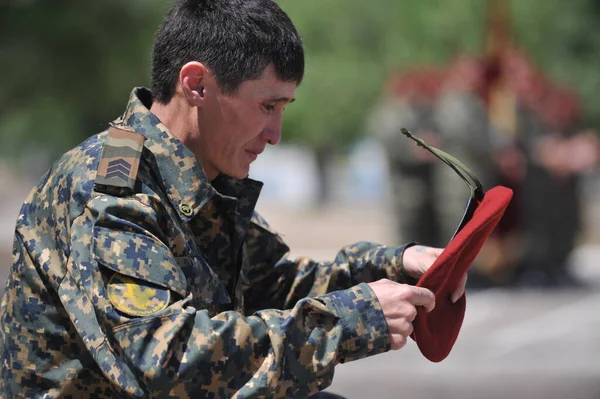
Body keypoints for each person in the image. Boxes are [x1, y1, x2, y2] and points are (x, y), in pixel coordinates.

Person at [0, 0, 467, 397]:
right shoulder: (110, 187)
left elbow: (273, 283)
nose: (276, 134)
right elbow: (167, 357)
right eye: (267, 106)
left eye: (283, 109)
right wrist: (353, 319)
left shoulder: (197, 172)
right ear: (197, 85)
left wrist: (395, 268)